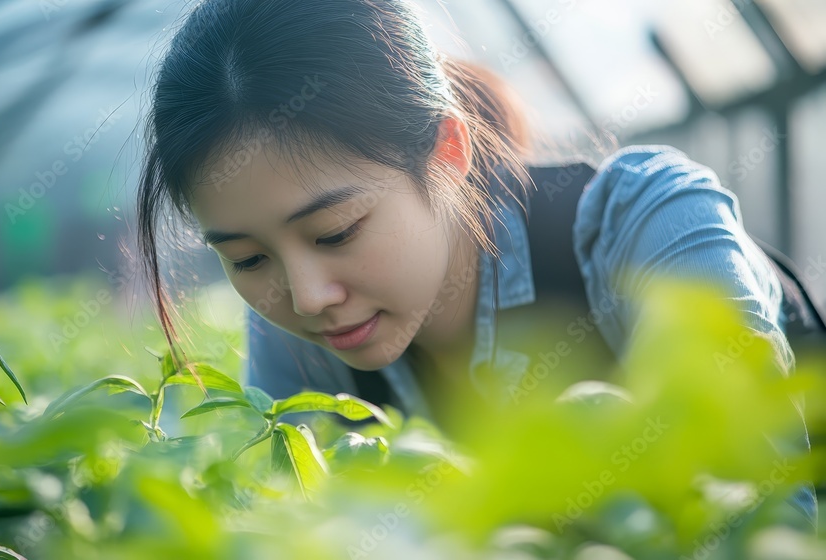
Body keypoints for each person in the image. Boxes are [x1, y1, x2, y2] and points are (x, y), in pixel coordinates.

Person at [135, 0, 817, 530]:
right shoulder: (296, 335)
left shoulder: (647, 220)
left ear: (447, 152)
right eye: (248, 258)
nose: (307, 296)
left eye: (336, 232)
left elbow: (761, 505)